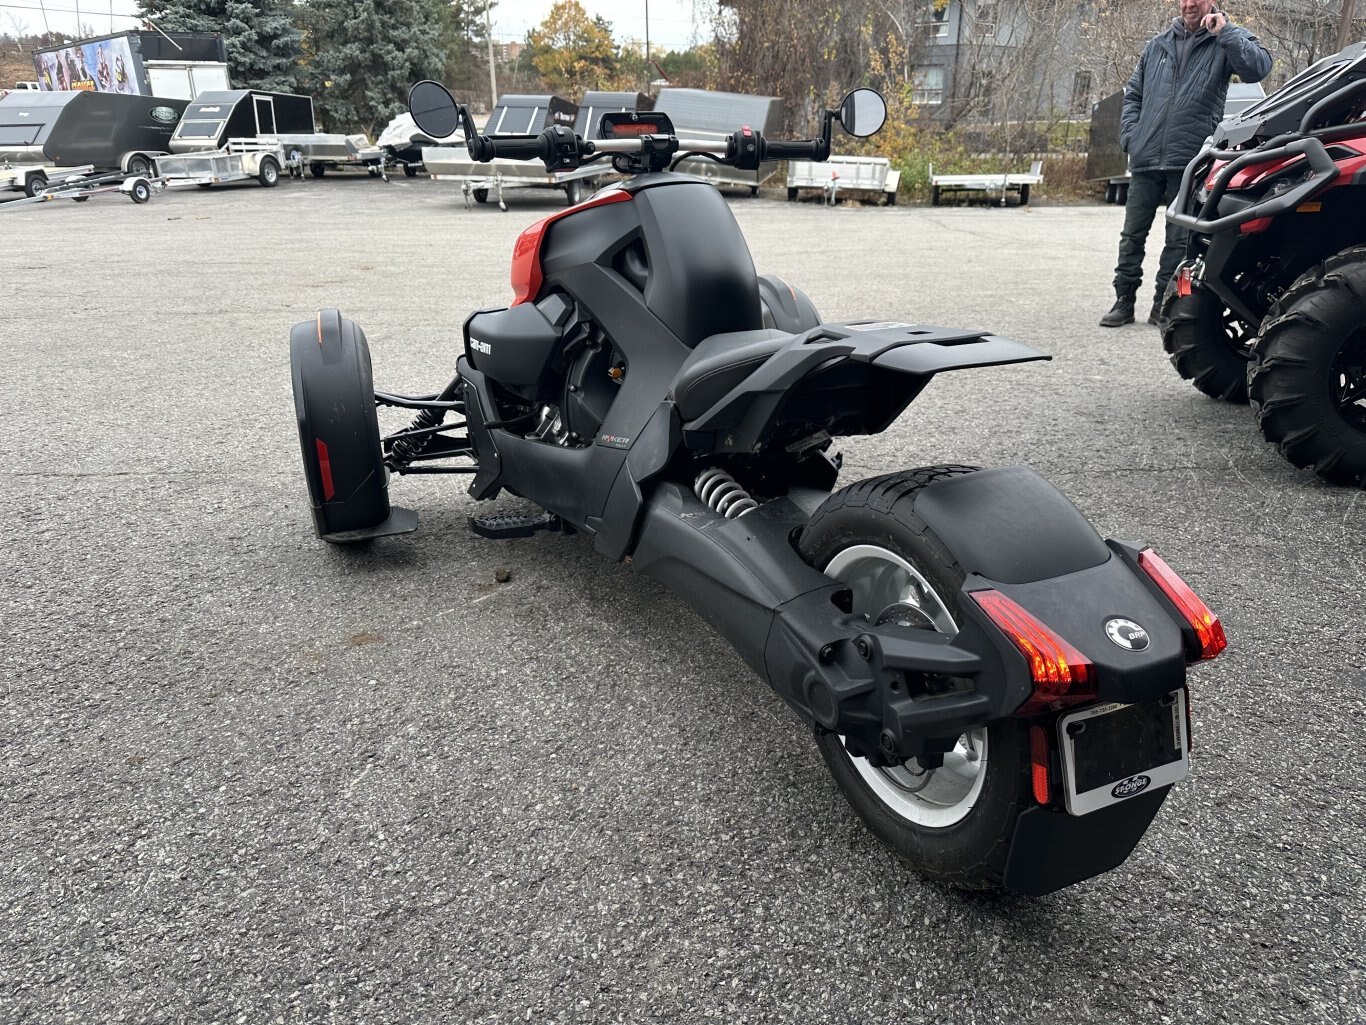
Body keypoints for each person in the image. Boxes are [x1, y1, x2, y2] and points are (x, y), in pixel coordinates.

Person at [1100, 0, 1272, 328]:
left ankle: (1165, 306)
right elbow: (1133, 95)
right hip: (1146, 158)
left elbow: (1258, 67)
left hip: (1190, 160)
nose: (1189, 3)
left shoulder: (1225, 40)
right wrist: (1131, 138)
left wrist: (1225, 31)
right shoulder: (1157, 46)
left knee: (1181, 241)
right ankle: (1123, 300)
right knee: (1131, 235)